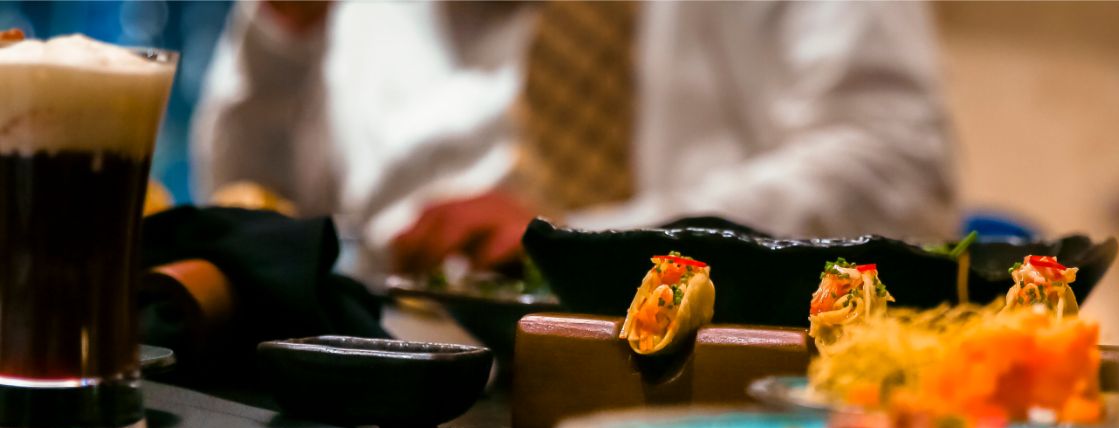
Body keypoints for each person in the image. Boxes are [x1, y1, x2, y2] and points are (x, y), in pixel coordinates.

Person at [193, 1, 957, 279]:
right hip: (391, 400)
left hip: (698, 395)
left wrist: (580, 245)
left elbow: (897, 167)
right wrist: (285, 33)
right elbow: (253, 212)